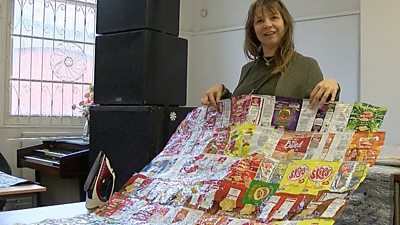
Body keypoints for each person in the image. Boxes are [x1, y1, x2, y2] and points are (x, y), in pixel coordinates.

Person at [200, 0, 340, 109]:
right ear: (253, 30)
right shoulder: (247, 69)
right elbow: (240, 110)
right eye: (260, 21)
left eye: (273, 17)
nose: (267, 24)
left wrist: (333, 85)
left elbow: (322, 110)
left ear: (285, 24)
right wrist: (221, 92)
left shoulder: (307, 66)